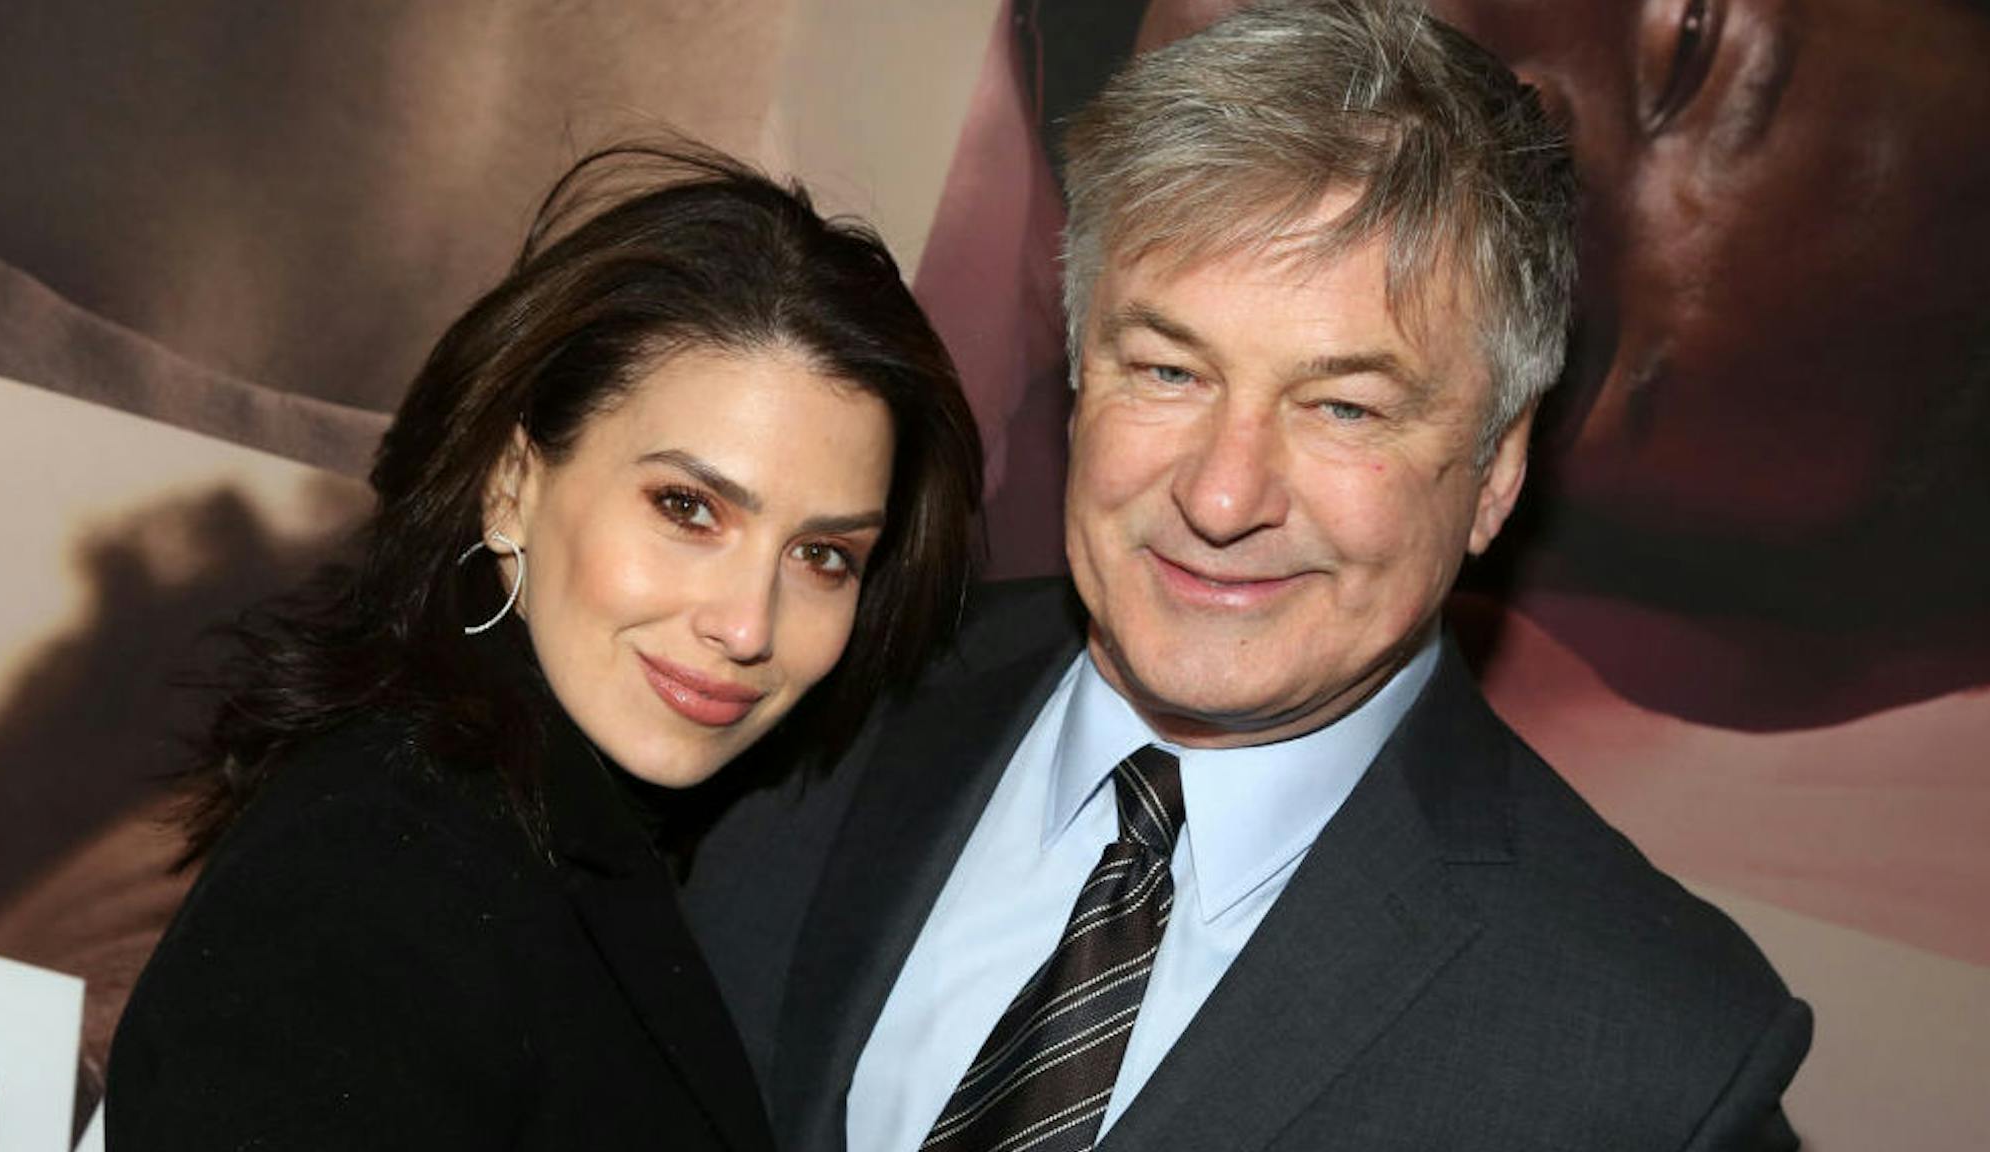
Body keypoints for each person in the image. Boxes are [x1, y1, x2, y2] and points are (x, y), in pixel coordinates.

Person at [682, 3, 1810, 1150]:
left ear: (1492, 472)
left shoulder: (1649, 1060)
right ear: (1078, 371)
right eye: (1169, 371)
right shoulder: (800, 687)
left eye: (1342, 407)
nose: (1221, 499)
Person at [103, 142, 984, 1151]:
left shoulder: (576, 834)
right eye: (686, 508)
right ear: (513, 482)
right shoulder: (376, 869)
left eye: (822, 554)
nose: (746, 625)